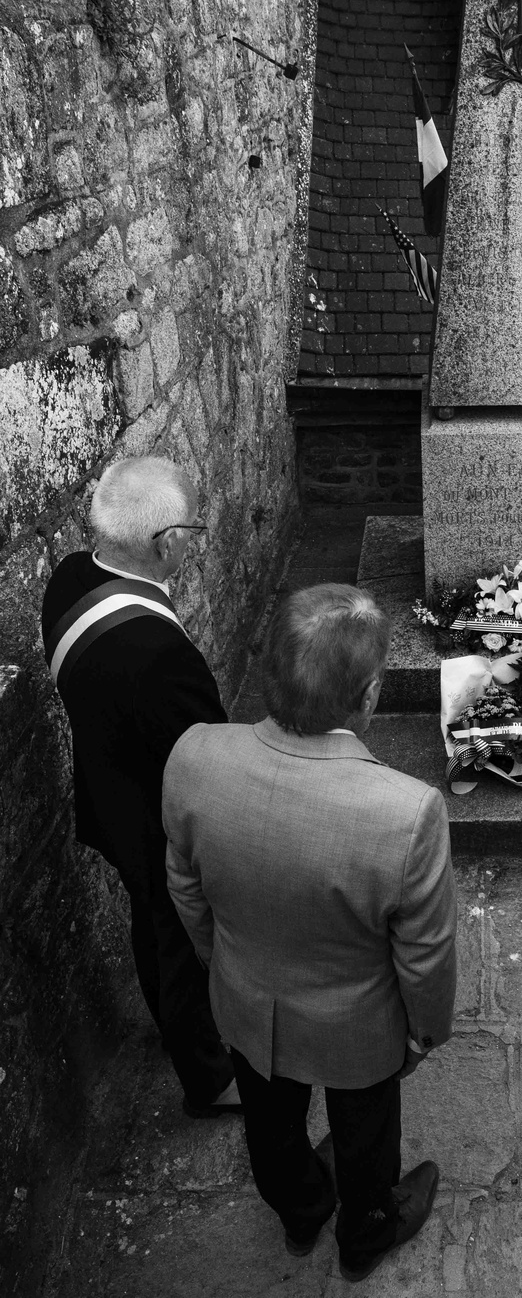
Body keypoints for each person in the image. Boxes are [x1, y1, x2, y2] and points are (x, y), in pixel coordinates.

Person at [162, 583, 457, 1278]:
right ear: (371, 694)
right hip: (357, 1025)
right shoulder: (405, 813)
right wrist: (424, 1032)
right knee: (367, 1138)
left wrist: (228, 961)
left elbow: (185, 888)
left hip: (245, 999)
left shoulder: (195, 756)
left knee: (269, 1126)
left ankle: (300, 1212)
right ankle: (365, 1234)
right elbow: (425, 956)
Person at [41, 455, 238, 1116]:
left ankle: (171, 1024)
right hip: (160, 822)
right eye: (193, 530)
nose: (196, 540)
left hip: (109, 794)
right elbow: (207, 759)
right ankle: (207, 1077)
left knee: (150, 928)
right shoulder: (159, 655)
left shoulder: (69, 578)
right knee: (177, 943)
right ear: (166, 543)